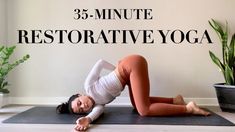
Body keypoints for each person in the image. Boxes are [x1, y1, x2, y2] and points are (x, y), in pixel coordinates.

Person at [56, 54, 210, 131]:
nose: (84, 106)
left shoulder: (88, 85)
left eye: (79, 103)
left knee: (144, 110)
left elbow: (100, 62)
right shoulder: (99, 105)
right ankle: (175, 100)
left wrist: (116, 68)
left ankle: (188, 108)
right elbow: (94, 114)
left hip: (130, 65)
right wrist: (87, 120)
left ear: (79, 94)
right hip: (128, 75)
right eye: (82, 109)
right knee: (138, 105)